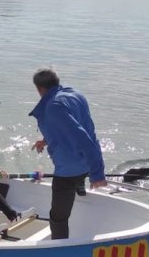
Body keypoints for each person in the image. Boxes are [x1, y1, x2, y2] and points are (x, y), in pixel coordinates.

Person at [29, 68, 106, 240]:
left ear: (39, 89)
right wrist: (45, 140)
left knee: (58, 217)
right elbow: (72, 127)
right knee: (80, 174)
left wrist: (97, 173)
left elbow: (82, 138)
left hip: (69, 171)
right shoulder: (75, 94)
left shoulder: (54, 106)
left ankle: (59, 249)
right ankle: (81, 187)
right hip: (85, 162)